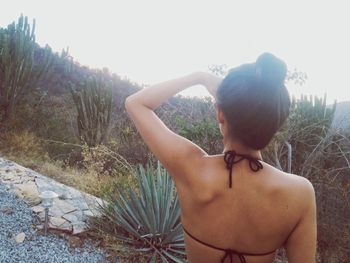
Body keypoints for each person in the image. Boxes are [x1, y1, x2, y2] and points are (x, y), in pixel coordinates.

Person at [125, 53, 317, 263]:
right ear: (276, 123)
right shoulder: (299, 194)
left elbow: (135, 103)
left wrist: (200, 77)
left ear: (220, 113)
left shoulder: (191, 168)